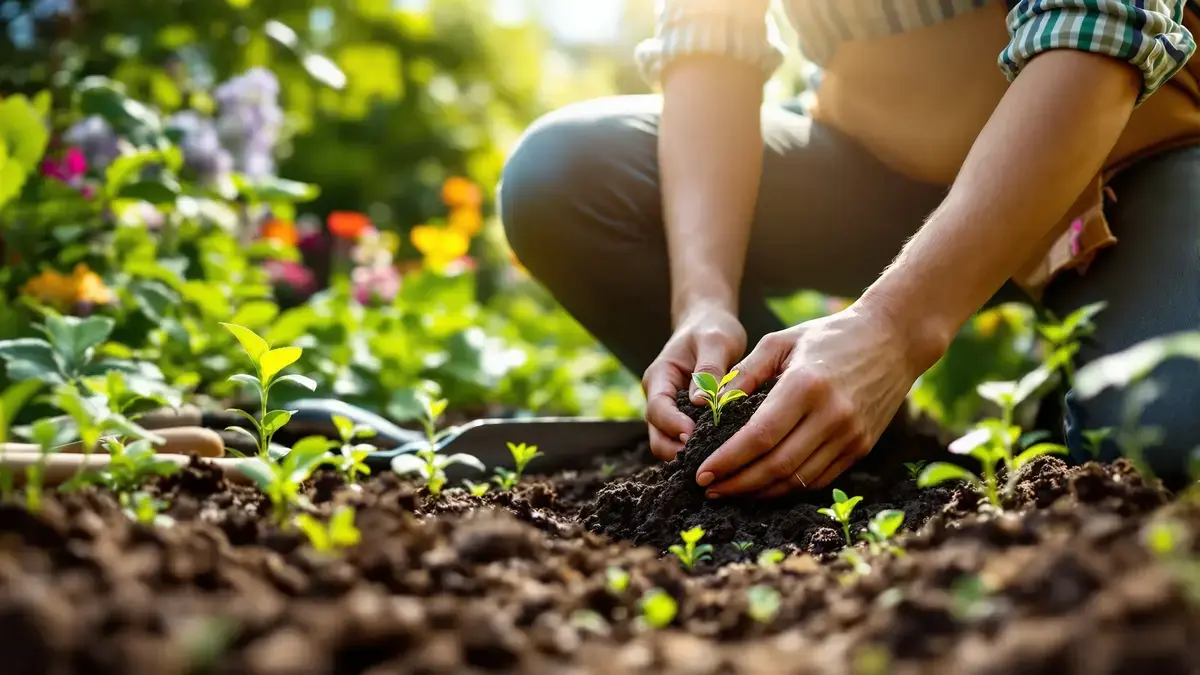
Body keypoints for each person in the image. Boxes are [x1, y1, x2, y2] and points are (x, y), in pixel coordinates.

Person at [499, 0, 1200, 496]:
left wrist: (895, 330)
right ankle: (817, 433)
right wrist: (702, 297)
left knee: (1167, 446)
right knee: (563, 175)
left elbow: (1100, 30)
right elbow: (708, 38)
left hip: (1123, 165)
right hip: (879, 172)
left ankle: (1075, 383)